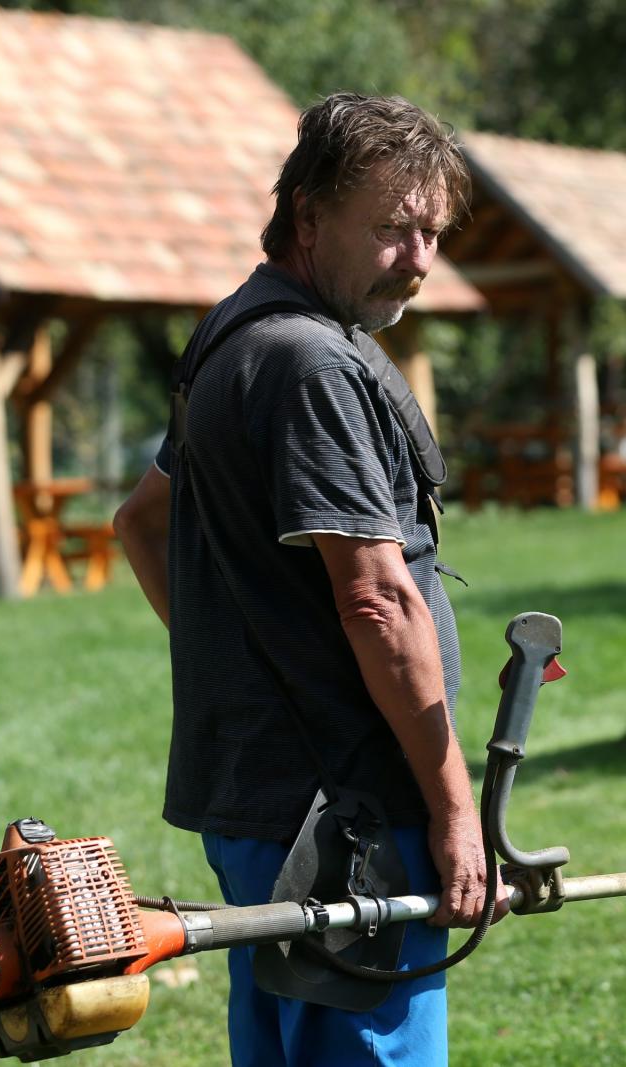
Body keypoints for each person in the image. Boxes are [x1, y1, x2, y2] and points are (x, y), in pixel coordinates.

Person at [113, 93, 494, 1066]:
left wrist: (245, 658)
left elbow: (140, 521)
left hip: (264, 804)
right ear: (310, 216)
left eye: (429, 233)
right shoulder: (308, 364)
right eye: (390, 229)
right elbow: (376, 598)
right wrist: (454, 809)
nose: (416, 259)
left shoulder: (232, 338)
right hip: (343, 816)